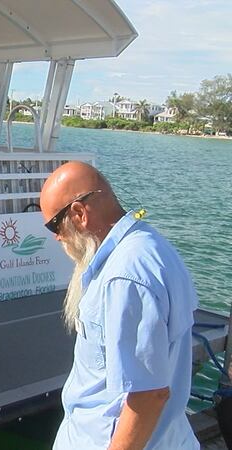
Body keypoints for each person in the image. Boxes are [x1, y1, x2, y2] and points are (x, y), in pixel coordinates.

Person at [40, 161, 199, 450]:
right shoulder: (151, 245)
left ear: (78, 213)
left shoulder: (124, 277)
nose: (57, 237)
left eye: (55, 225)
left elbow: (148, 395)